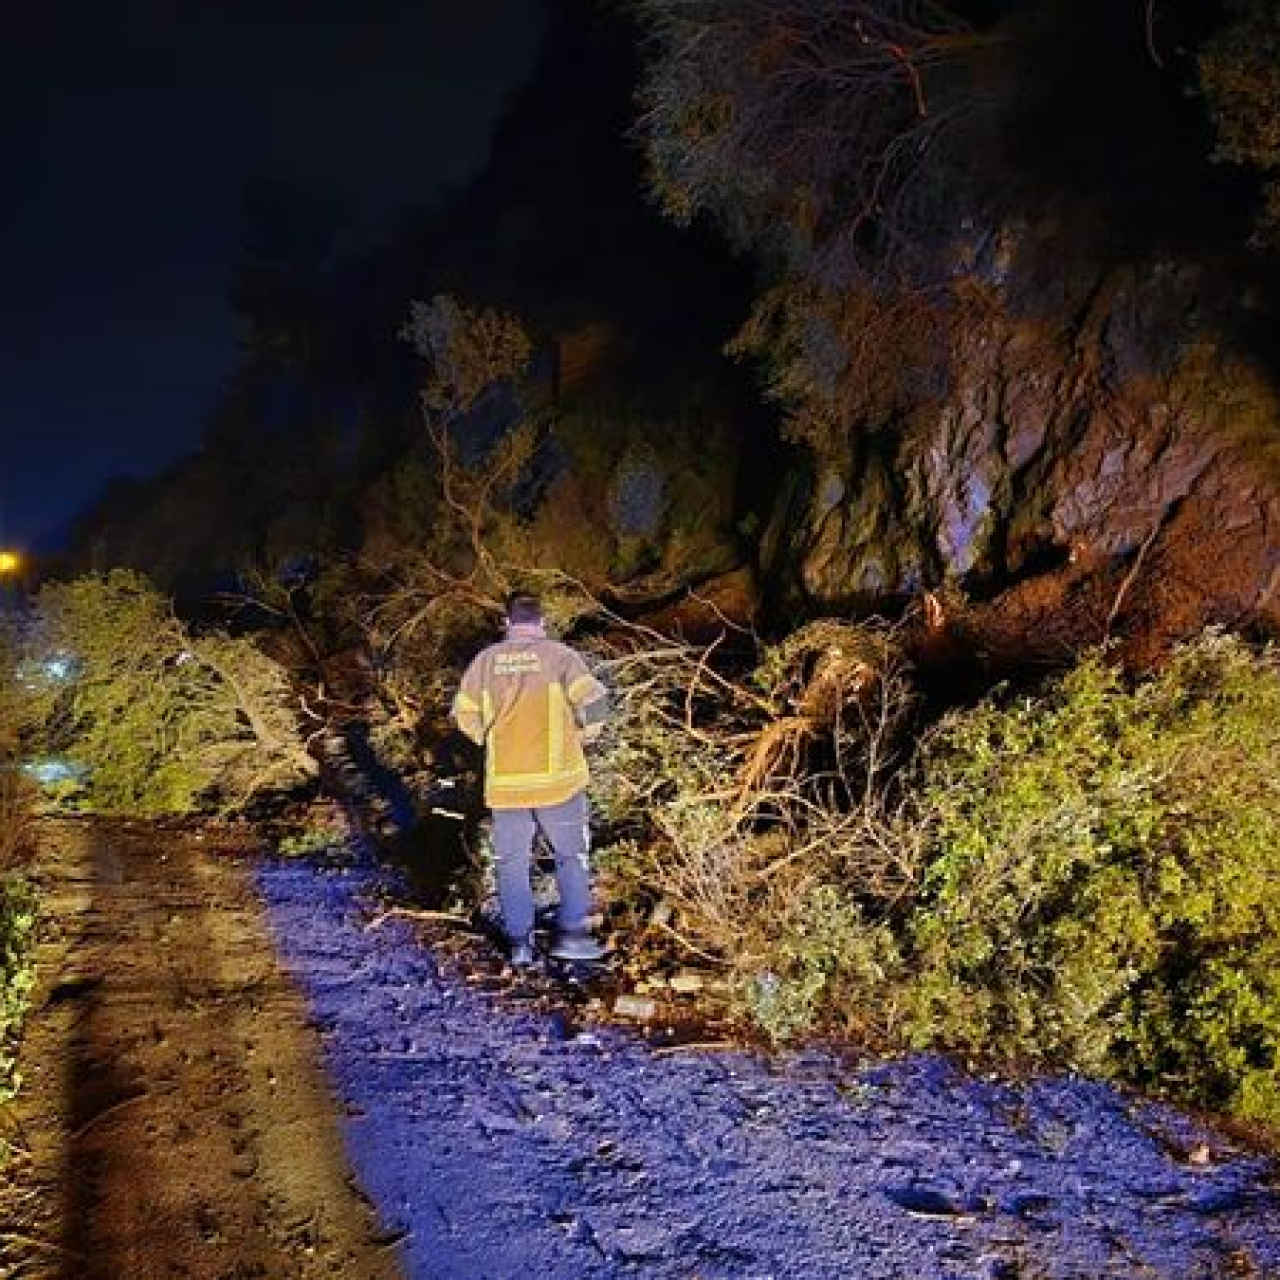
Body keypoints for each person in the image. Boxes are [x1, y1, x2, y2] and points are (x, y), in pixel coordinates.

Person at [451, 591, 609, 966]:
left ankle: (520, 944)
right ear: (542, 622)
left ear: (506, 622)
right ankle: (571, 936)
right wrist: (585, 735)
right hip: (560, 784)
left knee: (511, 863)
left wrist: (490, 740)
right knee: (571, 857)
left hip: (507, 787)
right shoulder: (560, 657)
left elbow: (463, 714)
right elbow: (595, 702)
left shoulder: (485, 662)